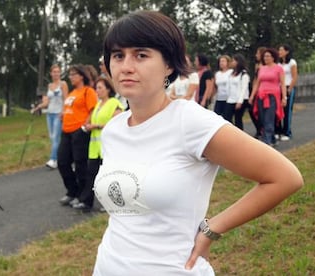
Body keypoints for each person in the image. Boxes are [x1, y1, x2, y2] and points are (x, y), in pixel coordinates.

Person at [93, 11, 303, 275]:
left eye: (141, 55)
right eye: (118, 55)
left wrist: (212, 228)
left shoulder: (189, 121)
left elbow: (285, 177)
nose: (126, 66)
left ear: (169, 65)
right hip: (108, 266)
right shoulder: (113, 130)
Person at [72, 76, 124, 211]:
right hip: (95, 147)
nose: (97, 91)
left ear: (108, 89)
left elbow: (116, 122)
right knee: (91, 174)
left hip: (108, 147)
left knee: (108, 176)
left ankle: (111, 203)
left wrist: (96, 126)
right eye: (96, 88)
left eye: (100, 88)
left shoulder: (114, 103)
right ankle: (86, 201)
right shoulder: (97, 106)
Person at [57, 64, 98, 207]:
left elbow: (93, 110)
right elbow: (69, 108)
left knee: (80, 164)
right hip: (66, 131)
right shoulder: (72, 93)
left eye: (73, 74)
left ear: (81, 76)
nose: (70, 77)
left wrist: (83, 127)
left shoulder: (88, 91)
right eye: (69, 75)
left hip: (78, 131)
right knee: (62, 162)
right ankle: (72, 190)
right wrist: (63, 114)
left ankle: (82, 195)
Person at [31, 64, 68, 169]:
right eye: (54, 72)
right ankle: (60, 157)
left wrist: (63, 111)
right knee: (52, 137)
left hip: (58, 113)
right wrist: (37, 108)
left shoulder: (63, 84)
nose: (56, 74)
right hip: (50, 113)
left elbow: (66, 99)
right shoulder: (49, 86)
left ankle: (53, 159)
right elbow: (46, 102)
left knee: (56, 137)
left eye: (58, 71)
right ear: (51, 73)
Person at [249, 48, 287, 146]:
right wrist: (252, 96)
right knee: (262, 118)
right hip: (261, 95)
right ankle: (272, 138)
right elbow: (257, 83)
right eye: (264, 56)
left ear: (273, 57)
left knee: (268, 118)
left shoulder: (278, 68)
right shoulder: (261, 68)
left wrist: (284, 97)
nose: (266, 58)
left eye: (268, 56)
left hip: (272, 96)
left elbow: (282, 83)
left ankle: (266, 141)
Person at [277, 44, 298, 141]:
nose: (279, 52)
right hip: (279, 88)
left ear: (287, 51)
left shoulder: (292, 62)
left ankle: (287, 132)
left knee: (287, 111)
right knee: (279, 110)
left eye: (281, 50)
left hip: (288, 86)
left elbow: (294, 76)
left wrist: (290, 88)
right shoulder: (279, 64)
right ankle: (279, 131)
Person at [225, 53, 250, 129]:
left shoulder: (244, 74)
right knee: (226, 117)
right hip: (231, 99)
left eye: (233, 61)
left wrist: (240, 101)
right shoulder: (231, 73)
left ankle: (240, 135)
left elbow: (243, 89)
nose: (232, 62)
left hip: (239, 100)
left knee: (238, 119)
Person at [250, 47, 267, 138]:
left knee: (263, 111)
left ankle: (264, 130)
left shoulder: (265, 66)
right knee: (254, 110)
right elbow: (256, 79)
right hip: (256, 90)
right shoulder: (257, 65)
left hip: (264, 90)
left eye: (258, 53)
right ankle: (259, 129)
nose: (256, 55)